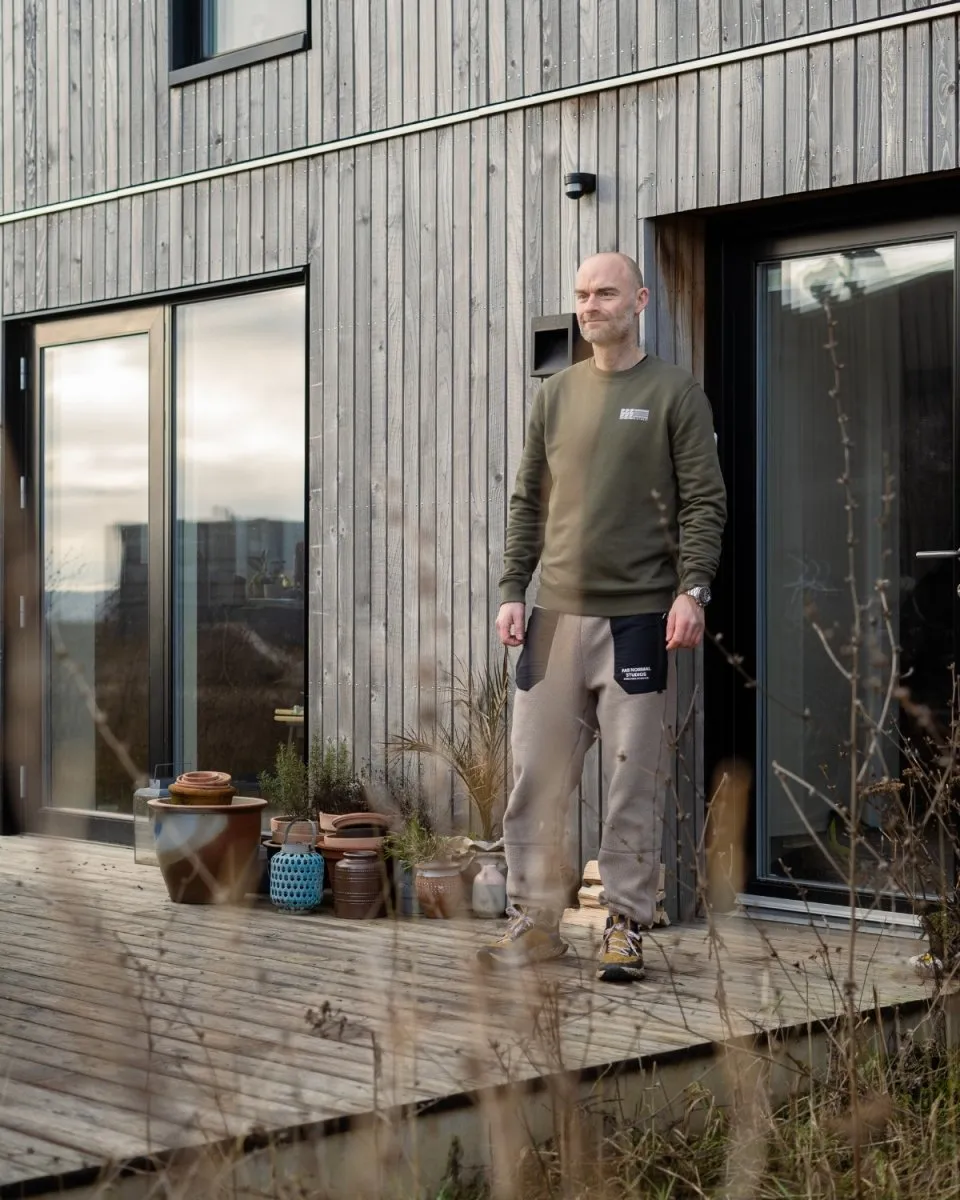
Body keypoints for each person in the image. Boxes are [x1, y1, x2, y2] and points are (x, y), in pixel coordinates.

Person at [478, 252, 727, 982]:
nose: (590, 305)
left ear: (639, 300)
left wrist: (693, 589)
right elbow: (529, 501)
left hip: (639, 619)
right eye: (582, 294)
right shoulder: (554, 397)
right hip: (553, 616)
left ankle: (624, 922)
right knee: (535, 776)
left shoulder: (675, 393)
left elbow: (705, 502)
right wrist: (512, 588)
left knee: (631, 781)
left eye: (606, 293)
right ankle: (534, 920)